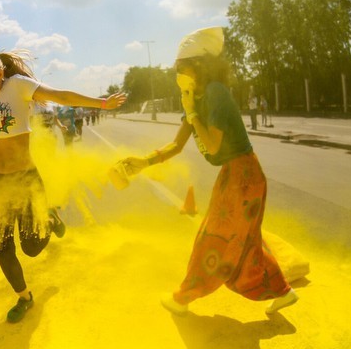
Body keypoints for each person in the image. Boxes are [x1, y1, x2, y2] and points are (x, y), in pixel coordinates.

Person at [0, 50, 126, 323]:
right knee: (2, 247)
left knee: (31, 248)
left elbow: (60, 96)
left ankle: (50, 219)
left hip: (26, 179)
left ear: (0, 74)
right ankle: (24, 297)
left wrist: (101, 103)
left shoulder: (17, 87)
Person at [117, 27, 298, 316]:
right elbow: (176, 146)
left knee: (214, 240)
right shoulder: (194, 98)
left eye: (182, 66)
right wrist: (143, 162)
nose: (177, 72)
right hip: (234, 174)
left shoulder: (215, 94)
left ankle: (182, 297)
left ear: (199, 65)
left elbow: (213, 146)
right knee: (246, 243)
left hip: (244, 174)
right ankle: (284, 291)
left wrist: (191, 114)